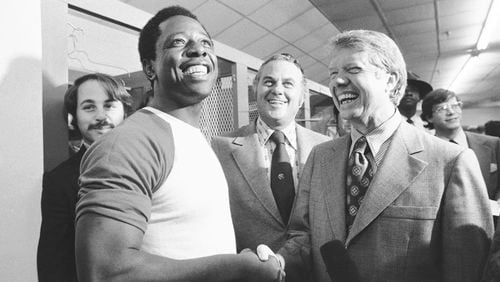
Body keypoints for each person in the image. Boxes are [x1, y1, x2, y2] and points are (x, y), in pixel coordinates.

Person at [74, 6, 283, 282]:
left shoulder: (194, 139)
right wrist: (236, 268)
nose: (198, 50)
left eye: (206, 43)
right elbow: (106, 271)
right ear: (150, 67)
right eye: (178, 42)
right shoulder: (130, 143)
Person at [279, 29, 494, 281]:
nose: (337, 82)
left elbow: (467, 268)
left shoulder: (450, 162)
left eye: (353, 69)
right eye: (333, 73)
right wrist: (274, 263)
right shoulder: (320, 156)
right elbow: (302, 237)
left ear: (391, 80)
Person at [211, 53, 329, 278]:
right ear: (255, 90)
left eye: (288, 84)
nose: (277, 90)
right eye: (269, 82)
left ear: (302, 98)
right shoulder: (221, 147)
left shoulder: (326, 149)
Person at [37, 73, 133, 282]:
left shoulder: (150, 163)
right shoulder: (58, 181)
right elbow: (53, 266)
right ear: (74, 118)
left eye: (109, 105)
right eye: (89, 107)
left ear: (125, 113)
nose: (101, 116)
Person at [421, 88, 500, 204]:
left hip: (488, 218)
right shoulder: (424, 151)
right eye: (442, 108)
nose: (451, 112)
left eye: (455, 105)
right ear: (429, 117)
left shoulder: (492, 144)